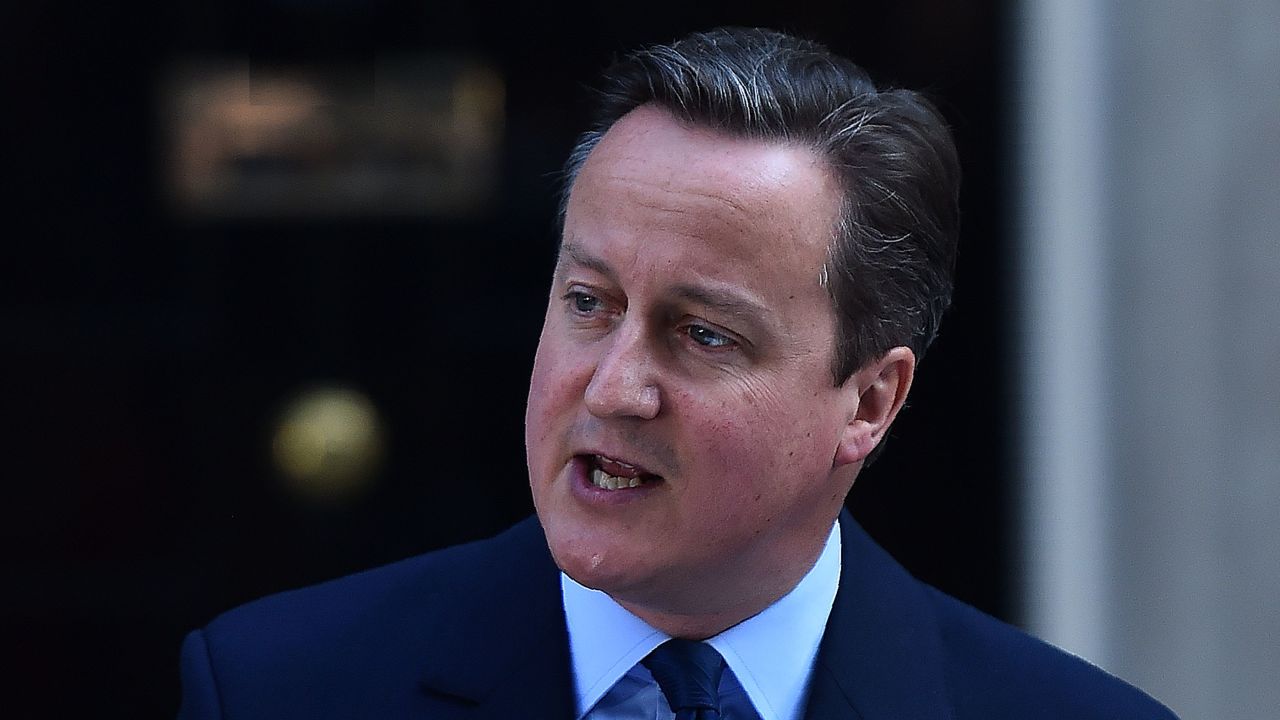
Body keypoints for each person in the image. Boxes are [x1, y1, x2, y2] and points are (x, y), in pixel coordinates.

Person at [177, 27, 1178, 719]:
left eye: (701, 335)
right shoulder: (278, 686)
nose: (612, 388)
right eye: (588, 302)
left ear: (869, 401)